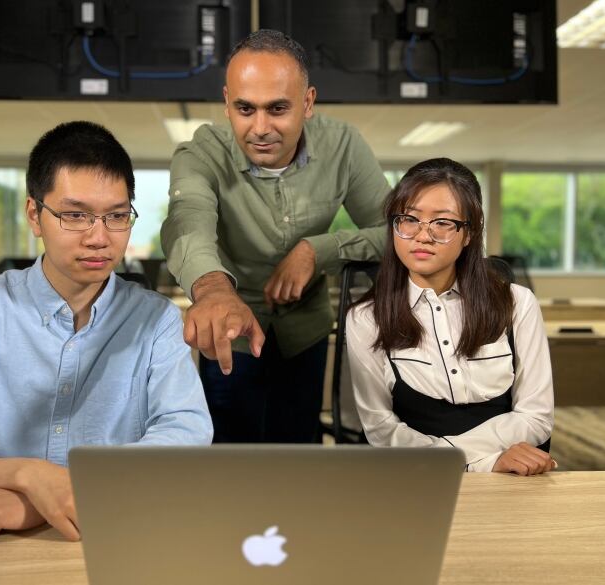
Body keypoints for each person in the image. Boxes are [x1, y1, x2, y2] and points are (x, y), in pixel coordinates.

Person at [0, 121, 213, 544]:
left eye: (117, 216)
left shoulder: (155, 319)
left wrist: (36, 503)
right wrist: (27, 475)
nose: (99, 237)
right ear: (35, 215)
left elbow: (184, 440)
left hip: (116, 539)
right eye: (75, 215)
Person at [160, 30, 390, 443]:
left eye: (278, 109)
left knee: (299, 451)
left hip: (306, 332)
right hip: (231, 329)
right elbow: (187, 221)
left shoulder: (344, 146)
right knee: (230, 454)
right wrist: (212, 289)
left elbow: (398, 232)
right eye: (245, 109)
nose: (260, 128)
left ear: (308, 103)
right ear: (227, 102)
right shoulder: (200, 154)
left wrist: (317, 250)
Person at [346, 158, 556, 474]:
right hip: (416, 479)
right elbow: (380, 429)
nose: (422, 235)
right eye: (409, 219)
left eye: (443, 223)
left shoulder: (518, 303)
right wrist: (480, 462)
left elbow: (536, 416)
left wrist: (455, 458)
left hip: (511, 479)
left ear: (470, 233)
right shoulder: (365, 318)